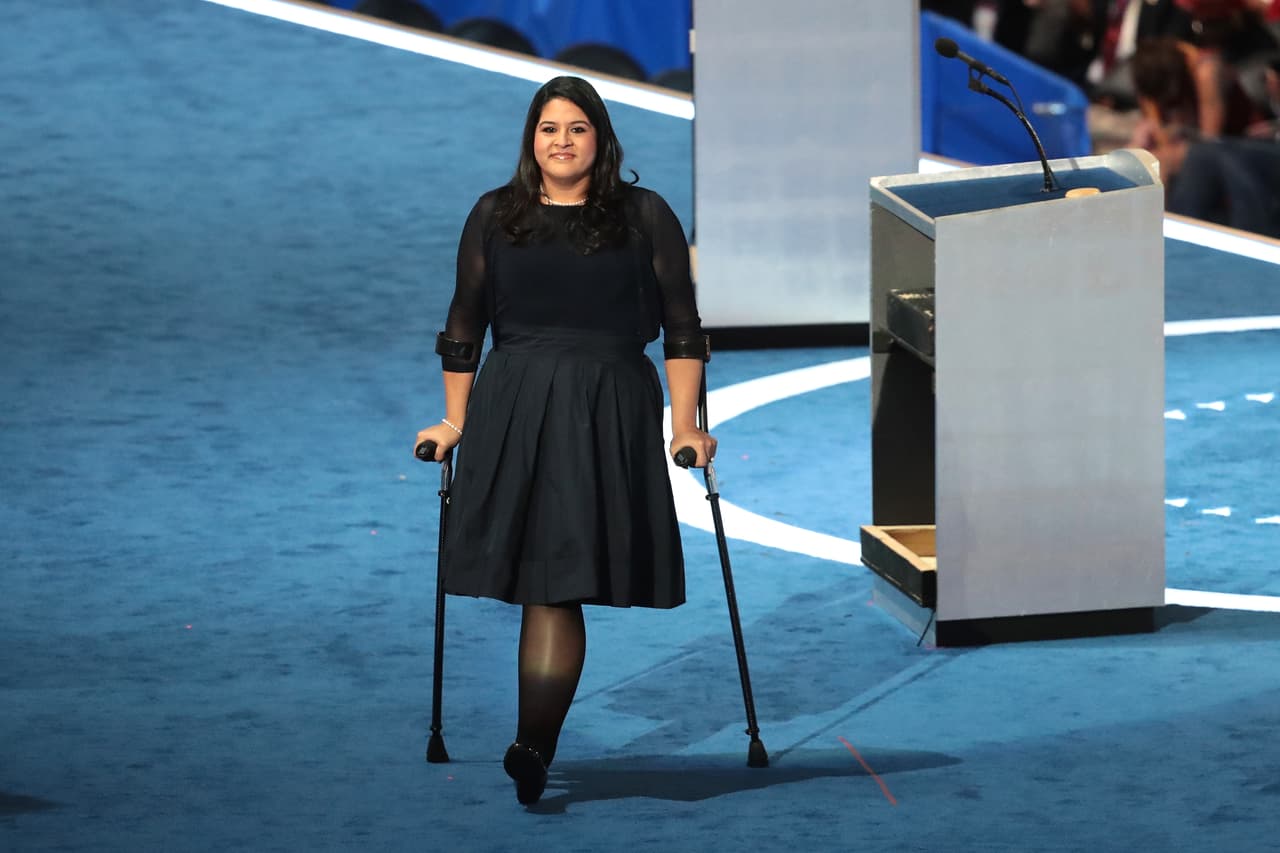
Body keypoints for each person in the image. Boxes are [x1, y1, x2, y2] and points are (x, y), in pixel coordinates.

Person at [413, 76, 715, 807]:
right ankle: (535, 746)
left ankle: (533, 746)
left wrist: (685, 424)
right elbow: (464, 323)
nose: (562, 141)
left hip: (606, 405)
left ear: (601, 139)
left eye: (577, 128)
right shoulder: (495, 214)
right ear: (531, 139)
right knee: (544, 582)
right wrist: (453, 420)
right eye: (549, 128)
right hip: (514, 403)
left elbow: (682, 325)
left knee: (559, 580)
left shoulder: (645, 215)